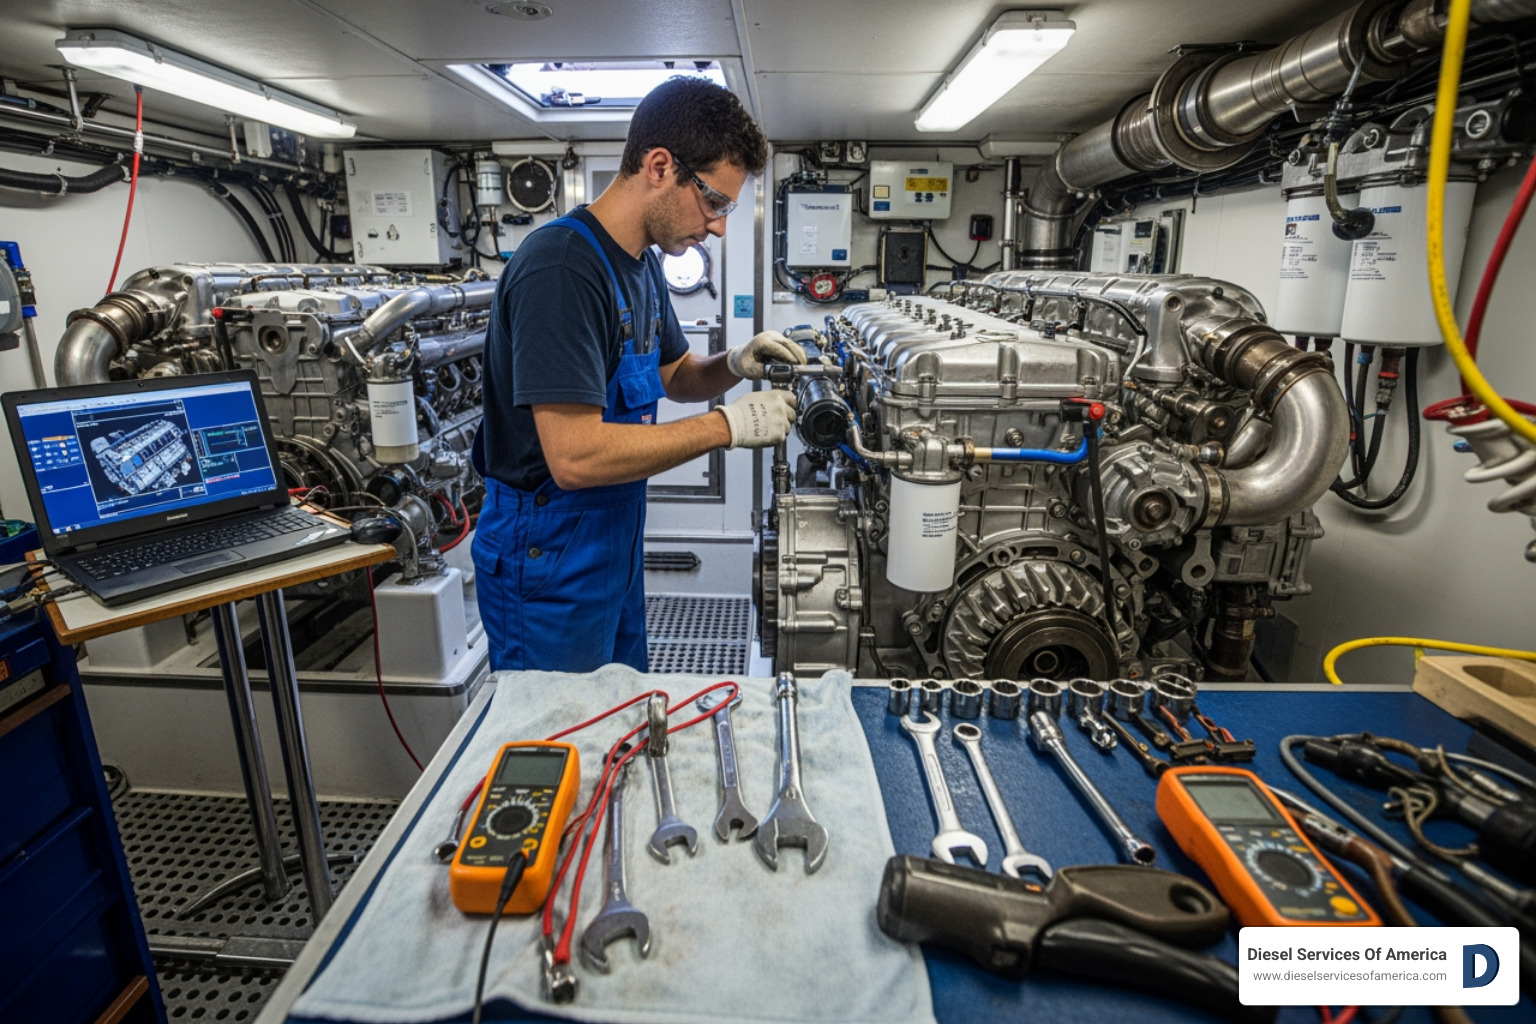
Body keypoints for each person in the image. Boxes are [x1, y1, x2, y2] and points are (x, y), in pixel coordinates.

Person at [471, 77, 802, 673]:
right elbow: (574, 457)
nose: (721, 226)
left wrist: (734, 363)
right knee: (559, 739)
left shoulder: (641, 265)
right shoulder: (563, 268)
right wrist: (728, 427)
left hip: (611, 539)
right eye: (715, 202)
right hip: (549, 548)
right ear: (659, 167)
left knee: (614, 713)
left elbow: (677, 375)